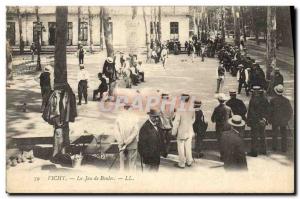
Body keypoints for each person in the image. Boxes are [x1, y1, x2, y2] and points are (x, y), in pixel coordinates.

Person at [114, 103, 139, 171]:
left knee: (125, 164)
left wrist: (122, 141)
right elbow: (135, 131)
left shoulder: (119, 117)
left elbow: (116, 132)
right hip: (129, 144)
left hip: (125, 144)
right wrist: (124, 141)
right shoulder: (133, 117)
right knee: (130, 165)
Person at [247, 86, 270, 157]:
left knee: (254, 136)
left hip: (255, 121)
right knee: (262, 135)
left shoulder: (252, 100)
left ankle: (254, 152)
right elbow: (268, 110)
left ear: (254, 92)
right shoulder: (265, 99)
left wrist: (253, 120)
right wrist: (264, 118)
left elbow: (251, 112)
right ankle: (264, 150)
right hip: (262, 121)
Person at [172, 94, 194, 168]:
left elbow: (176, 122)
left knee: (181, 148)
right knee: (188, 147)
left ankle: (182, 163)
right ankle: (189, 161)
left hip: (181, 131)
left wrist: (174, 132)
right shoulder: (192, 108)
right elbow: (193, 119)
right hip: (189, 130)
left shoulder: (179, 110)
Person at [270, 85, 293, 152]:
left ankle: (274, 147)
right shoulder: (286, 100)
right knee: (284, 135)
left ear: (275, 91)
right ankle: (284, 148)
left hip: (275, 120)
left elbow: (270, 111)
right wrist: (287, 119)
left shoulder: (272, 100)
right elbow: (290, 111)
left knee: (274, 134)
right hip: (283, 120)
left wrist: (270, 119)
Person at [211, 93, 232, 159]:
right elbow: (232, 117)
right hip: (227, 127)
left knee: (220, 141)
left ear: (218, 100)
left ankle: (222, 155)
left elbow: (213, 119)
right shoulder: (228, 108)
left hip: (219, 127)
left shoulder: (216, 108)